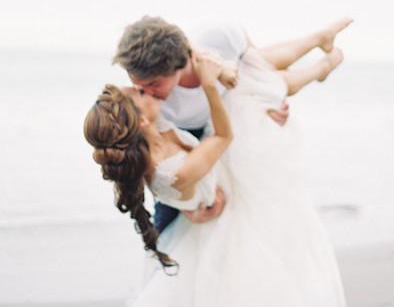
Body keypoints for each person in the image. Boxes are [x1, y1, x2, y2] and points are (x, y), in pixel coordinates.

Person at [84, 41, 347, 307]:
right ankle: (321, 65)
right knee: (232, 287)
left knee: (253, 92)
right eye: (138, 91)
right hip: (217, 203)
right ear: (141, 118)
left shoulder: (148, 133)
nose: (143, 88)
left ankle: (317, 62)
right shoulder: (170, 167)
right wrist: (210, 84)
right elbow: (223, 136)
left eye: (142, 85)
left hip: (208, 190)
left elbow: (186, 97)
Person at [113, 17, 352, 231]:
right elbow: (152, 159)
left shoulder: (220, 36)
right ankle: (321, 60)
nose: (143, 91)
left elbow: (258, 70)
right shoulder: (150, 103)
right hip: (197, 140)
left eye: (152, 83)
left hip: (233, 106)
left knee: (264, 72)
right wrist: (186, 202)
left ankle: (321, 51)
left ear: (174, 67)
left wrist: (268, 101)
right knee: (165, 229)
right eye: (137, 84)